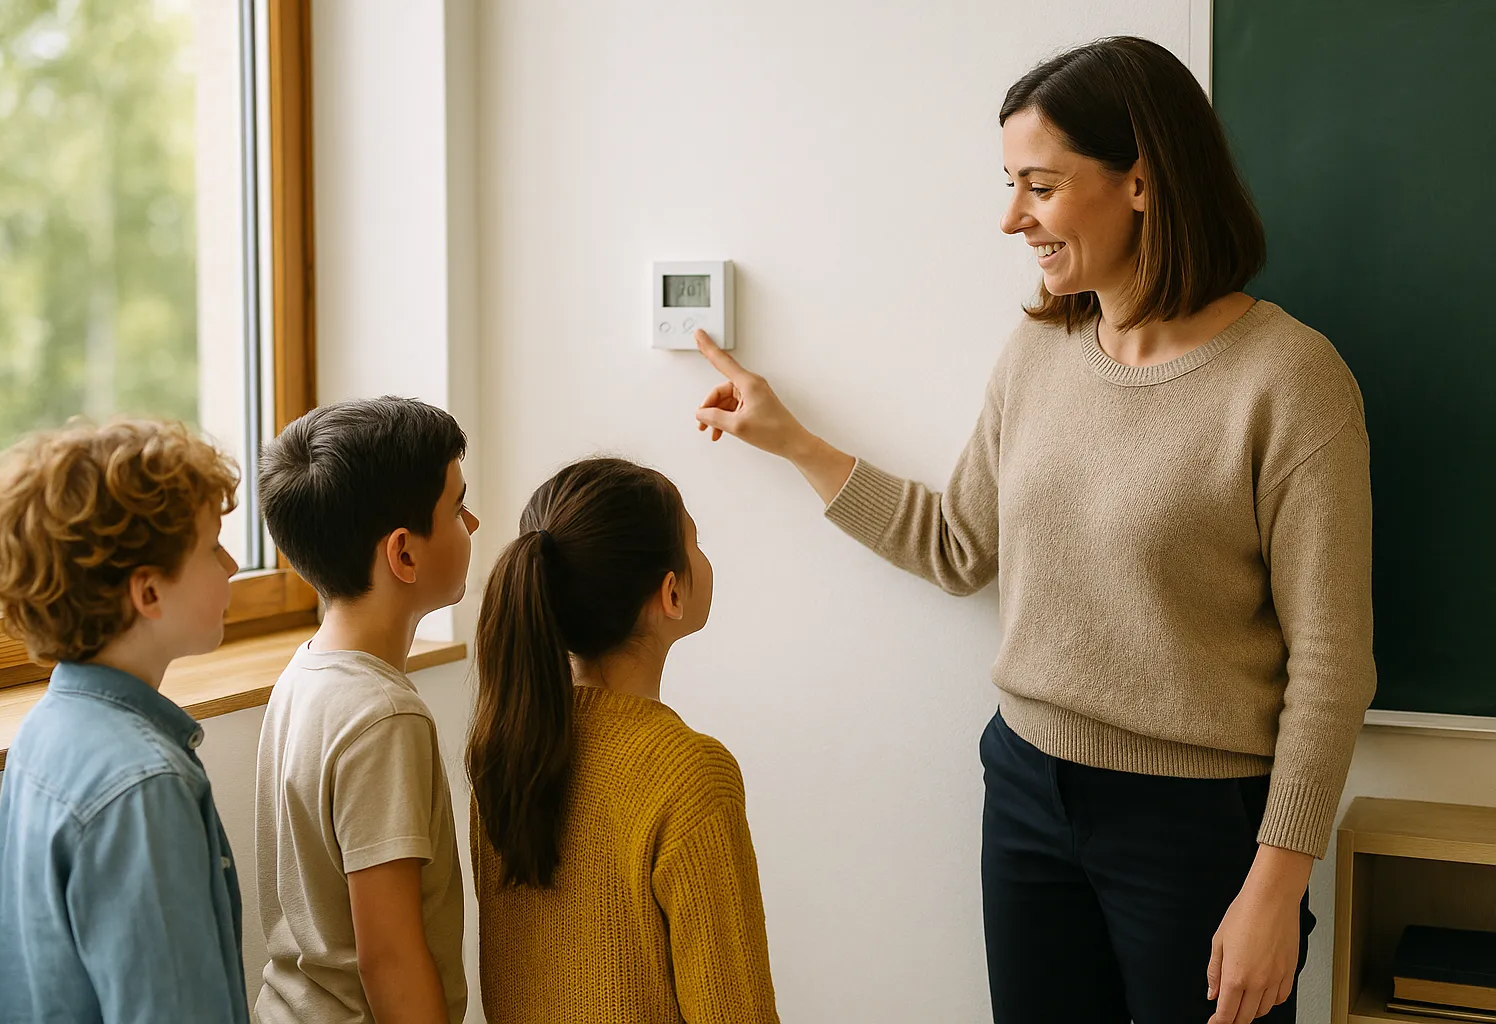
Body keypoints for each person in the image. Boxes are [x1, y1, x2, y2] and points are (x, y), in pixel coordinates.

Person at [692, 36, 1374, 1024]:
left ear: (1139, 180)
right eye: (1011, 186)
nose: (1012, 218)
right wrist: (792, 439)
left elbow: (1333, 662)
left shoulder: (1290, 380)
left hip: (1195, 825)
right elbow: (958, 546)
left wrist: (1278, 881)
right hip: (1024, 785)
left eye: (1039, 188)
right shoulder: (1038, 351)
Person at [467, 457, 779, 1024]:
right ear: (671, 594)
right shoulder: (690, 775)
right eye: (695, 541)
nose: (703, 556)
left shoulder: (505, 753)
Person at [0, 419, 249, 1023]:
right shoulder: (144, 787)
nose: (232, 564)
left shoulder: (49, 728)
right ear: (147, 593)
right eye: (211, 546)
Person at [253, 397, 476, 1024]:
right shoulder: (384, 718)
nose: (475, 523)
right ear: (403, 554)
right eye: (457, 507)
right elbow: (391, 959)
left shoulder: (304, 675)